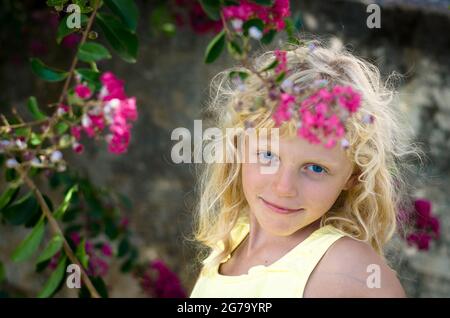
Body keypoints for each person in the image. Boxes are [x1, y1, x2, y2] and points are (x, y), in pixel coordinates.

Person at [189, 37, 420, 297]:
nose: (283, 187)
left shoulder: (348, 270)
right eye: (267, 155)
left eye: (316, 168)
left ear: (353, 177)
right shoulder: (229, 244)